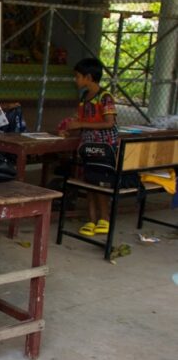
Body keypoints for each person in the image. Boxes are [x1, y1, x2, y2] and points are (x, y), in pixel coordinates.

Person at [62, 58, 118, 237]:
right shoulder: (84, 98)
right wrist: (71, 130)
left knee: (101, 183)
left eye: (77, 76)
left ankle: (105, 219)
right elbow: (82, 122)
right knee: (90, 181)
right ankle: (92, 219)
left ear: (88, 77)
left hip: (103, 147)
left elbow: (109, 123)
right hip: (88, 147)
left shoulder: (105, 97)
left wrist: (79, 124)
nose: (75, 80)